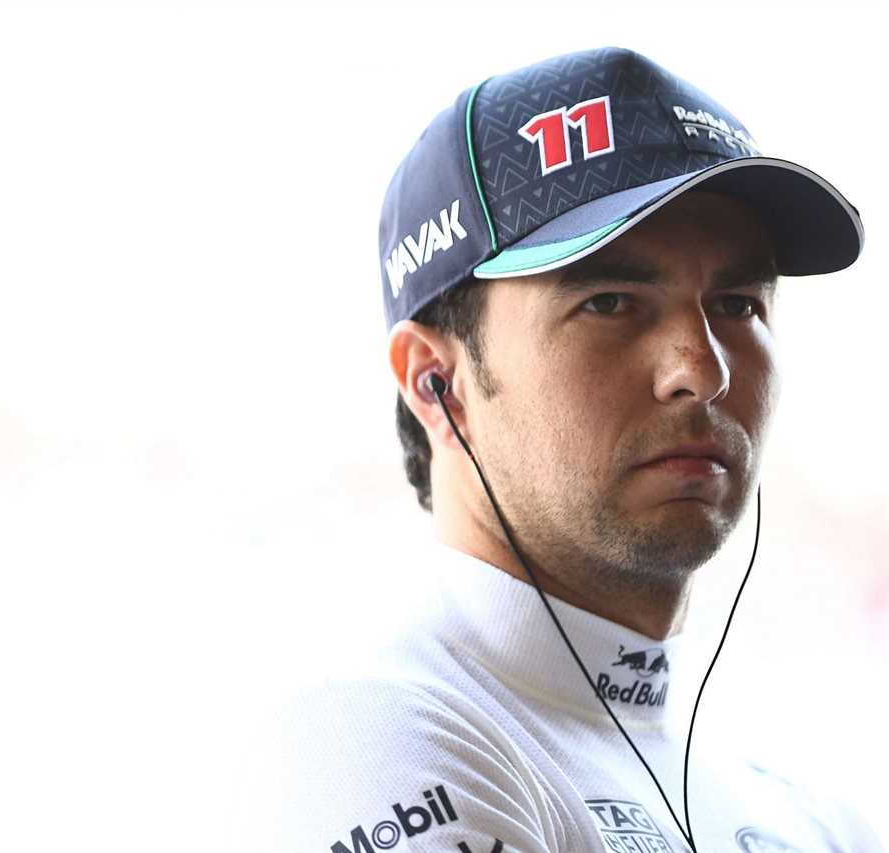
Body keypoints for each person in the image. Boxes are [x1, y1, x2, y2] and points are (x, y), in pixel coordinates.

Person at [240, 47, 882, 853]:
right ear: (437, 380)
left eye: (737, 303)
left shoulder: (809, 813)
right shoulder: (365, 745)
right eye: (611, 301)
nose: (702, 368)